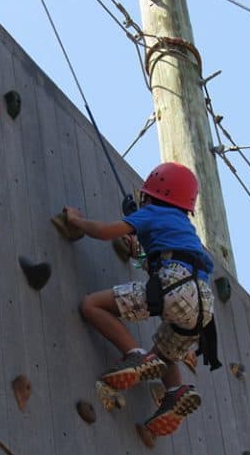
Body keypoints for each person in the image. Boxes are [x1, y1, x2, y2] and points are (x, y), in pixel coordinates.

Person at [64, 162, 220, 436]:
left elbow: (103, 232)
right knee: (165, 353)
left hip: (176, 286)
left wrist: (77, 220)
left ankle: (135, 355)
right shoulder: (184, 228)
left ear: (152, 193)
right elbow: (167, 259)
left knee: (92, 305)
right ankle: (174, 393)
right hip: (203, 306)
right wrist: (140, 248)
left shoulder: (152, 213)